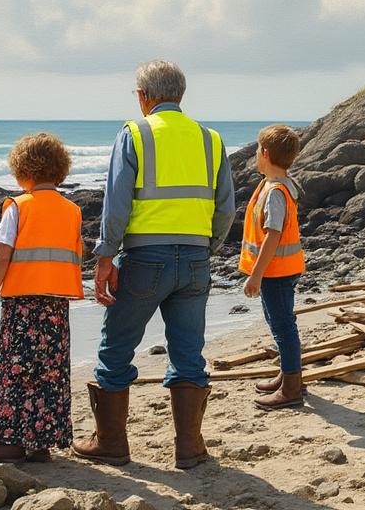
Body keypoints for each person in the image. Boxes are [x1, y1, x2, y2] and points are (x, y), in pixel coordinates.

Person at [74, 60, 235, 470]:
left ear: (144, 96)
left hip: (145, 258)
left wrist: (105, 256)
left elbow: (116, 203)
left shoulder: (135, 133)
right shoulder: (210, 139)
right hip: (195, 259)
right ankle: (190, 448)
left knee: (116, 349)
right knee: (189, 353)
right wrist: (208, 246)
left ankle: (111, 443)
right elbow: (226, 207)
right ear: (180, 94)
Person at [0, 134, 83, 465]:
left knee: (14, 370)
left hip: (23, 305)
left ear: (23, 170)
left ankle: (8, 443)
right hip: (56, 306)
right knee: (49, 372)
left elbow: (0, 257)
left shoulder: (19, 207)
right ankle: (40, 443)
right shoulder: (72, 211)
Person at [239, 125, 307, 410]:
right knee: (279, 323)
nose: (256, 154)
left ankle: (291, 388)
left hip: (276, 271)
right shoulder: (275, 184)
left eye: (257, 149)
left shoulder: (276, 192)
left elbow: (273, 235)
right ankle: (288, 375)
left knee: (283, 327)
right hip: (281, 269)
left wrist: (255, 275)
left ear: (265, 154)